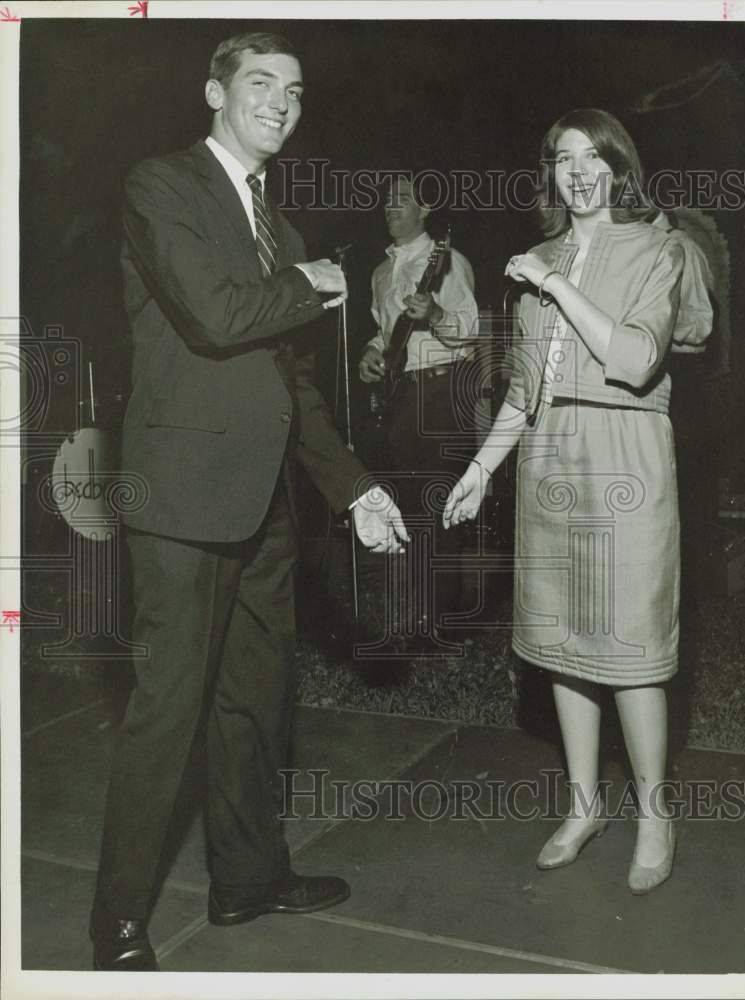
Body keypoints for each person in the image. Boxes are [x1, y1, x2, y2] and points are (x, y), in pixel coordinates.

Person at [91, 31, 408, 971]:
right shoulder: (162, 186)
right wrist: (304, 286)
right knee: (168, 711)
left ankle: (246, 879)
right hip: (182, 502)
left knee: (254, 705)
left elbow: (293, 390)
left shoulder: (287, 231)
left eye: (296, 90)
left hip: (266, 505)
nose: (281, 101)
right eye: (260, 83)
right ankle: (115, 923)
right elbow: (214, 314)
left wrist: (353, 488)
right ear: (214, 93)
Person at [444, 109, 695, 894]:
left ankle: (655, 815)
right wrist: (482, 469)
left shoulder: (660, 248)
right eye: (561, 158)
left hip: (625, 457)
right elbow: (525, 391)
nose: (577, 171)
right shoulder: (538, 257)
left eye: (592, 156)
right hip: (552, 458)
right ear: (549, 172)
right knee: (563, 644)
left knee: (628, 649)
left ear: (618, 166)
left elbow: (631, 358)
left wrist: (553, 281)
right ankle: (584, 804)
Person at [358, 176, 479, 648]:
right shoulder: (380, 273)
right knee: (408, 506)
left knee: (443, 507)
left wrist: (434, 317)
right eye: (386, 202)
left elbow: (468, 331)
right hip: (401, 397)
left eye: (401, 201)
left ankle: (444, 625)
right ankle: (418, 616)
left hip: (442, 393)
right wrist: (370, 355)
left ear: (424, 209)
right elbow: (382, 332)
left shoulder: (447, 262)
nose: (390, 208)